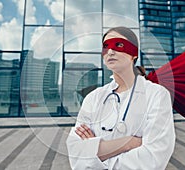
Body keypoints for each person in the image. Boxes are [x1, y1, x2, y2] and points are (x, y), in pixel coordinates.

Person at [66, 26, 175, 169]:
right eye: (106, 46)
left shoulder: (156, 95)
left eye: (118, 45)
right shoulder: (94, 98)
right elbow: (76, 153)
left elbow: (153, 157)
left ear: (134, 53)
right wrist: (129, 143)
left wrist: (95, 155)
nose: (110, 51)